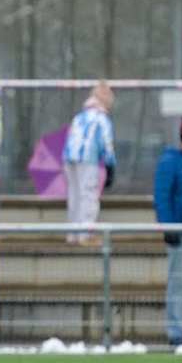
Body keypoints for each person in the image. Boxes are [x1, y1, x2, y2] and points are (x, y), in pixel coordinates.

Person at [154, 117, 182, 346]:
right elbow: (162, 196)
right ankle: (175, 332)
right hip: (180, 232)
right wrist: (167, 226)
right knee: (177, 282)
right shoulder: (170, 161)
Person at [63, 82, 116, 246]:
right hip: (88, 158)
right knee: (89, 195)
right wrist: (110, 166)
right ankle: (86, 234)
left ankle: (72, 233)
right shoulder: (101, 119)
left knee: (74, 194)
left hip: (69, 157)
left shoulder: (79, 117)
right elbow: (107, 144)